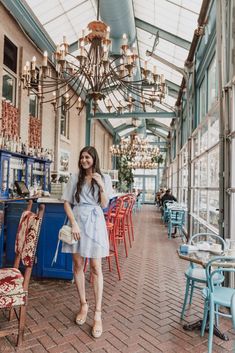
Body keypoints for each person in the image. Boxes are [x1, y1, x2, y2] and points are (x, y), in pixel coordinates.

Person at [61, 146, 113, 338]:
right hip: (77, 221)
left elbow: (105, 204)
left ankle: (97, 313)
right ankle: (83, 304)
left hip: (95, 222)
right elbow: (66, 201)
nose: (84, 160)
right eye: (82, 157)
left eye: (88, 157)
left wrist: (100, 185)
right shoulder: (75, 177)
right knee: (77, 265)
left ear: (94, 159)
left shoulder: (104, 178)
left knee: (96, 267)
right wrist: (73, 224)